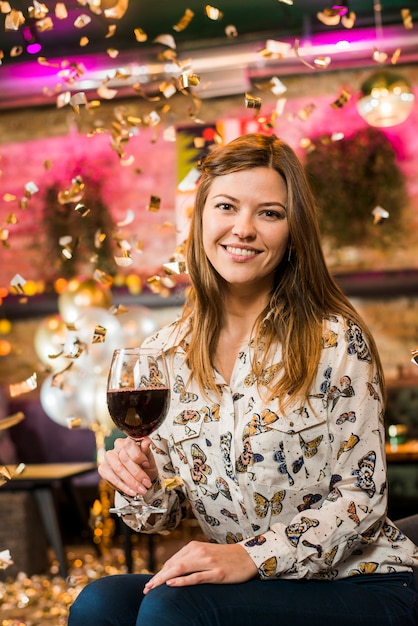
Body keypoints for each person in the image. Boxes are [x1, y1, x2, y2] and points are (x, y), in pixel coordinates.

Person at [68, 133, 418, 626]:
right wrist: (140, 481)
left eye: (269, 213)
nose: (243, 229)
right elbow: (163, 513)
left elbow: (361, 500)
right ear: (202, 218)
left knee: (175, 607)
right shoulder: (166, 352)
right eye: (227, 206)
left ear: (293, 230)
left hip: (361, 581)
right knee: (99, 602)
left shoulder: (335, 341)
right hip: (249, 584)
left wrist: (248, 556)